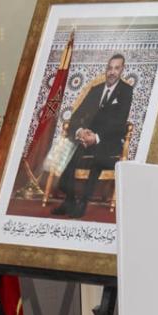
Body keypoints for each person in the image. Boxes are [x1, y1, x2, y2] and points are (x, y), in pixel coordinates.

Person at [51, 54, 133, 218]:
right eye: (109, 68)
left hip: (108, 140)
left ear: (122, 70)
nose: (112, 72)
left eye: (116, 68)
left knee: (98, 156)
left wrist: (96, 137)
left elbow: (119, 122)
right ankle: (69, 199)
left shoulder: (126, 90)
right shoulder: (96, 90)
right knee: (68, 150)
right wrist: (81, 131)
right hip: (87, 138)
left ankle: (83, 202)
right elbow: (77, 115)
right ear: (106, 69)